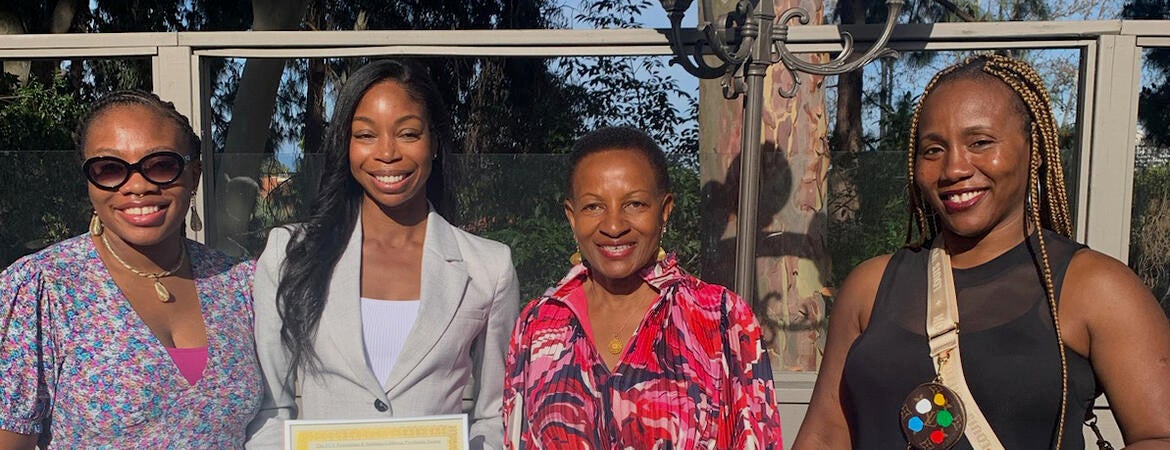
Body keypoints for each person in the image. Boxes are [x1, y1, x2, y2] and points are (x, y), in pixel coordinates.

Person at [794, 54, 1170, 449]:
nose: (954, 167)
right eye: (933, 149)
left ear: (1035, 149)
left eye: (980, 142)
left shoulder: (1093, 287)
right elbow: (824, 434)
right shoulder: (870, 287)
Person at [246, 59, 519, 449]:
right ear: (346, 144)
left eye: (408, 133)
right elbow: (270, 408)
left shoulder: (489, 267)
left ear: (435, 142)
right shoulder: (289, 253)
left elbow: (495, 413)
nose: (387, 153)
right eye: (366, 135)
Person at [0, 90, 261, 447]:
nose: (137, 186)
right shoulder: (43, 288)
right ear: (89, 181)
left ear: (195, 174)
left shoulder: (238, 283)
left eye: (162, 165)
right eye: (109, 169)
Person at [502, 126, 782, 449]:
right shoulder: (537, 326)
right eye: (594, 206)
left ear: (664, 210)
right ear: (572, 216)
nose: (614, 226)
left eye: (634, 204)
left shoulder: (720, 319)